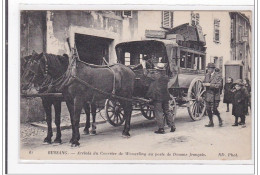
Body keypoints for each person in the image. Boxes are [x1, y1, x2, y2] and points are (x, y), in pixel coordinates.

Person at [145, 63, 176, 134]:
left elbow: (147, 75)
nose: (155, 70)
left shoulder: (156, 76)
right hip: (165, 96)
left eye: (156, 70)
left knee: (158, 112)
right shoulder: (166, 77)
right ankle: (172, 126)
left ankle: (161, 129)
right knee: (167, 111)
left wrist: (146, 69)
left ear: (158, 70)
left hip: (158, 97)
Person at [203, 63, 223, 127]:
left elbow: (219, 85)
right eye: (208, 68)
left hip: (215, 95)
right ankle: (211, 122)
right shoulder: (206, 75)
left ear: (213, 69)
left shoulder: (218, 76)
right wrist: (203, 84)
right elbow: (204, 82)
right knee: (208, 109)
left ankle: (220, 119)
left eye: (210, 69)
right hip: (208, 95)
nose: (208, 70)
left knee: (214, 110)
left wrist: (210, 85)